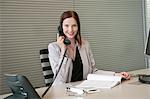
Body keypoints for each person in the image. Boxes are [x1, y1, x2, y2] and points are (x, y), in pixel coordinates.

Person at [48, 10, 130, 85]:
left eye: (74, 25)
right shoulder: (54, 48)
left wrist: (116, 75)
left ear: (78, 27)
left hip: (83, 89)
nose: (70, 30)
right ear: (61, 28)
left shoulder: (85, 45)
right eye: (66, 25)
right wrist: (63, 50)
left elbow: (93, 72)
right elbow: (60, 80)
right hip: (62, 92)